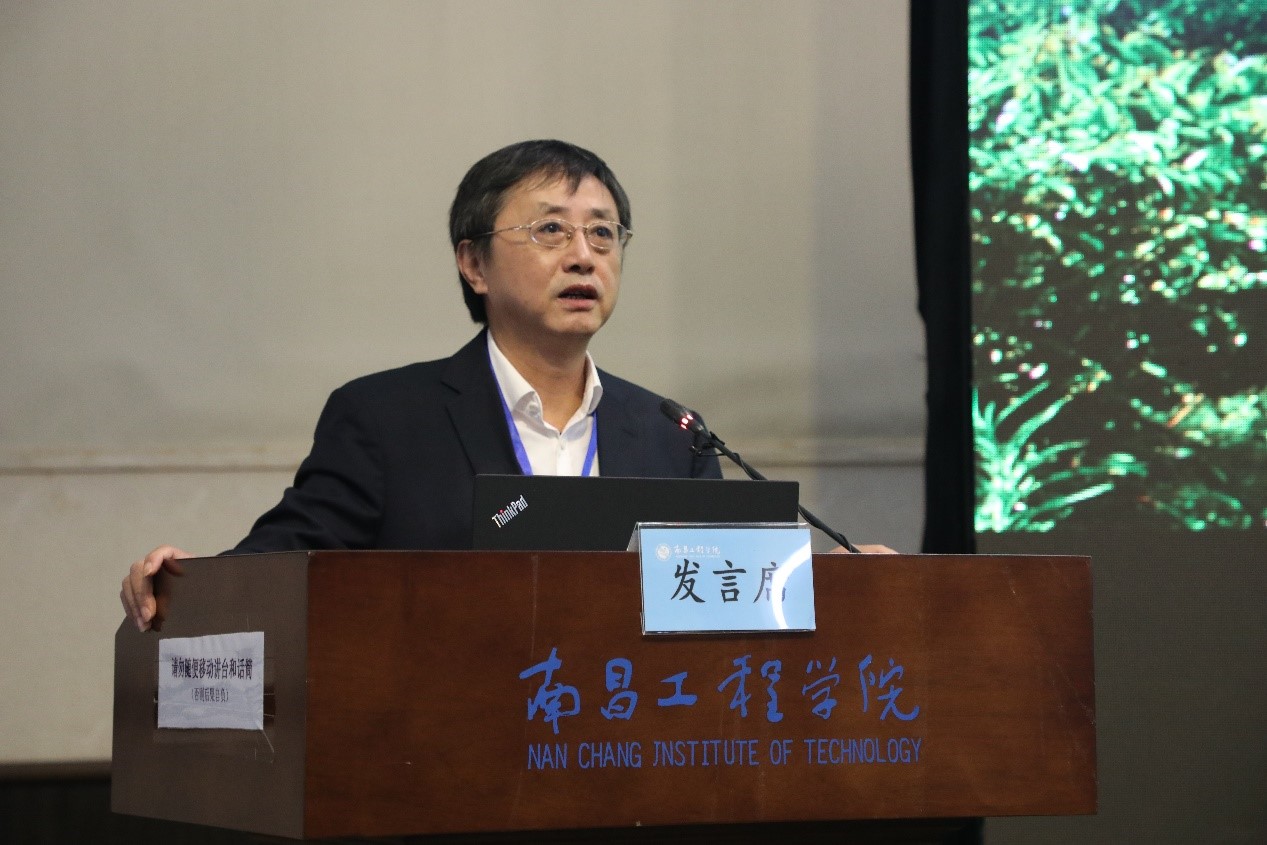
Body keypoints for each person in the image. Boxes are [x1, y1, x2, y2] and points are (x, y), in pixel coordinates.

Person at [120, 139, 890, 633]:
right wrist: (188, 582)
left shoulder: (670, 432)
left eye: (603, 232)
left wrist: (826, 582)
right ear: (473, 263)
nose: (583, 254)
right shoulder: (385, 418)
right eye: (550, 229)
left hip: (628, 759)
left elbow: (723, 594)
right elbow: (283, 564)